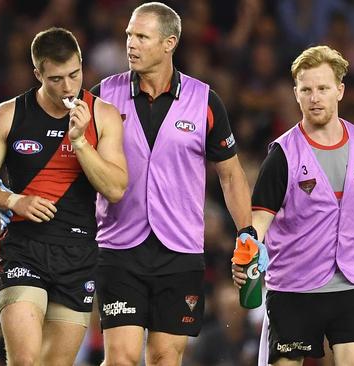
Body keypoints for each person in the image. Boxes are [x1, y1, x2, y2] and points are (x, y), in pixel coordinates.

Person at [90, 3, 258, 364]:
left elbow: (230, 174)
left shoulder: (205, 102)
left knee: (166, 358)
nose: (130, 44)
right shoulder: (102, 96)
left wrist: (247, 234)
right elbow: (73, 164)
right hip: (119, 246)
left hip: (180, 250)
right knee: (121, 358)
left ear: (169, 43)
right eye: (128, 36)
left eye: (141, 37)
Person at [232, 45, 354, 366]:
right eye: (306, 89)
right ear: (295, 93)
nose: (314, 97)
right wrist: (247, 248)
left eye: (323, 88)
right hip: (294, 288)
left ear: (340, 91)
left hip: (352, 282)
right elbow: (259, 219)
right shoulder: (282, 155)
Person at [0, 27, 127, 365]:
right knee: (25, 360)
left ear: (82, 64)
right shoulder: (9, 114)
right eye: (56, 79)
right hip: (25, 249)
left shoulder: (103, 115)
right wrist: (13, 201)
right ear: (38, 73)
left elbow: (115, 188)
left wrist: (81, 141)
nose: (68, 87)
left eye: (74, 74)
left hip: (78, 253)